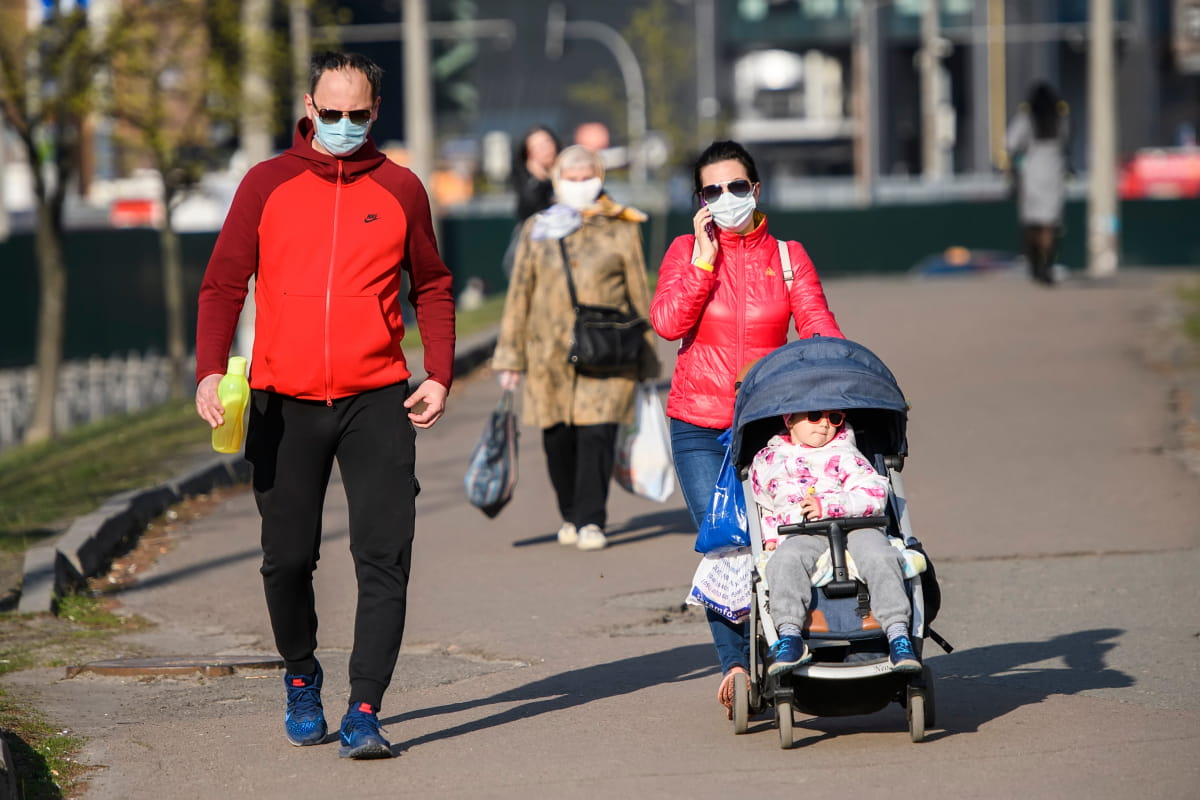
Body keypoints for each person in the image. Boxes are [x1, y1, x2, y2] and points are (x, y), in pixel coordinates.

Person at [193, 51, 455, 760]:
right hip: (285, 402)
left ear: (377, 112)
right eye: (330, 113)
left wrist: (439, 372)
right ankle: (301, 673)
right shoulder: (265, 184)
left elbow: (432, 283)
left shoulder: (401, 188)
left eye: (357, 114)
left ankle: (365, 707)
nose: (342, 125)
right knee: (286, 560)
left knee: (384, 557)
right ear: (309, 106)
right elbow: (222, 285)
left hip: (375, 399)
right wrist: (210, 372)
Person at [650, 139, 844, 719]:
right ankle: (735, 666)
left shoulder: (787, 256)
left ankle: (795, 638)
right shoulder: (686, 250)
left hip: (764, 424)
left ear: (756, 190)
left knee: (784, 539)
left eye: (737, 186)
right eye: (713, 190)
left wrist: (840, 380)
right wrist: (705, 261)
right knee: (727, 545)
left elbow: (817, 326)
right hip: (696, 423)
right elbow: (667, 322)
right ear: (700, 201)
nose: (727, 198)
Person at [493, 144, 660, 551]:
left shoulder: (622, 226)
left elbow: (639, 289)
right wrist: (510, 356)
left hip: (608, 349)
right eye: (573, 177)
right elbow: (520, 294)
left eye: (589, 176)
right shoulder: (539, 227)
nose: (582, 184)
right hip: (548, 355)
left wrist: (647, 354)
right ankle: (569, 511)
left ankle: (591, 519)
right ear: (557, 181)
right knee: (557, 439)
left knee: (598, 434)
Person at [751, 409, 920, 674]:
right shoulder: (767, 460)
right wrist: (771, 537)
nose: (826, 425)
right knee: (783, 561)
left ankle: (898, 633)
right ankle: (790, 635)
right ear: (789, 419)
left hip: (856, 526)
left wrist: (830, 505)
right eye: (815, 416)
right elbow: (766, 505)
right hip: (801, 531)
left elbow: (875, 494)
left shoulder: (845, 452)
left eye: (835, 419)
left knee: (881, 557)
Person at [1006, 82, 1071, 285]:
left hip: (1032, 171)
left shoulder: (1026, 120)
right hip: (1053, 170)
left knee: (1032, 222)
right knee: (1049, 223)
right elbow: (1066, 142)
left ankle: (1035, 265)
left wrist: (1013, 168)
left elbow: (1010, 143)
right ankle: (1047, 265)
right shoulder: (1061, 120)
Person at [503, 125, 561, 276]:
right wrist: (539, 180)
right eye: (538, 146)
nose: (545, 149)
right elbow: (527, 211)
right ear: (528, 153)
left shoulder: (569, 174)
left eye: (547, 142)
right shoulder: (528, 183)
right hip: (538, 250)